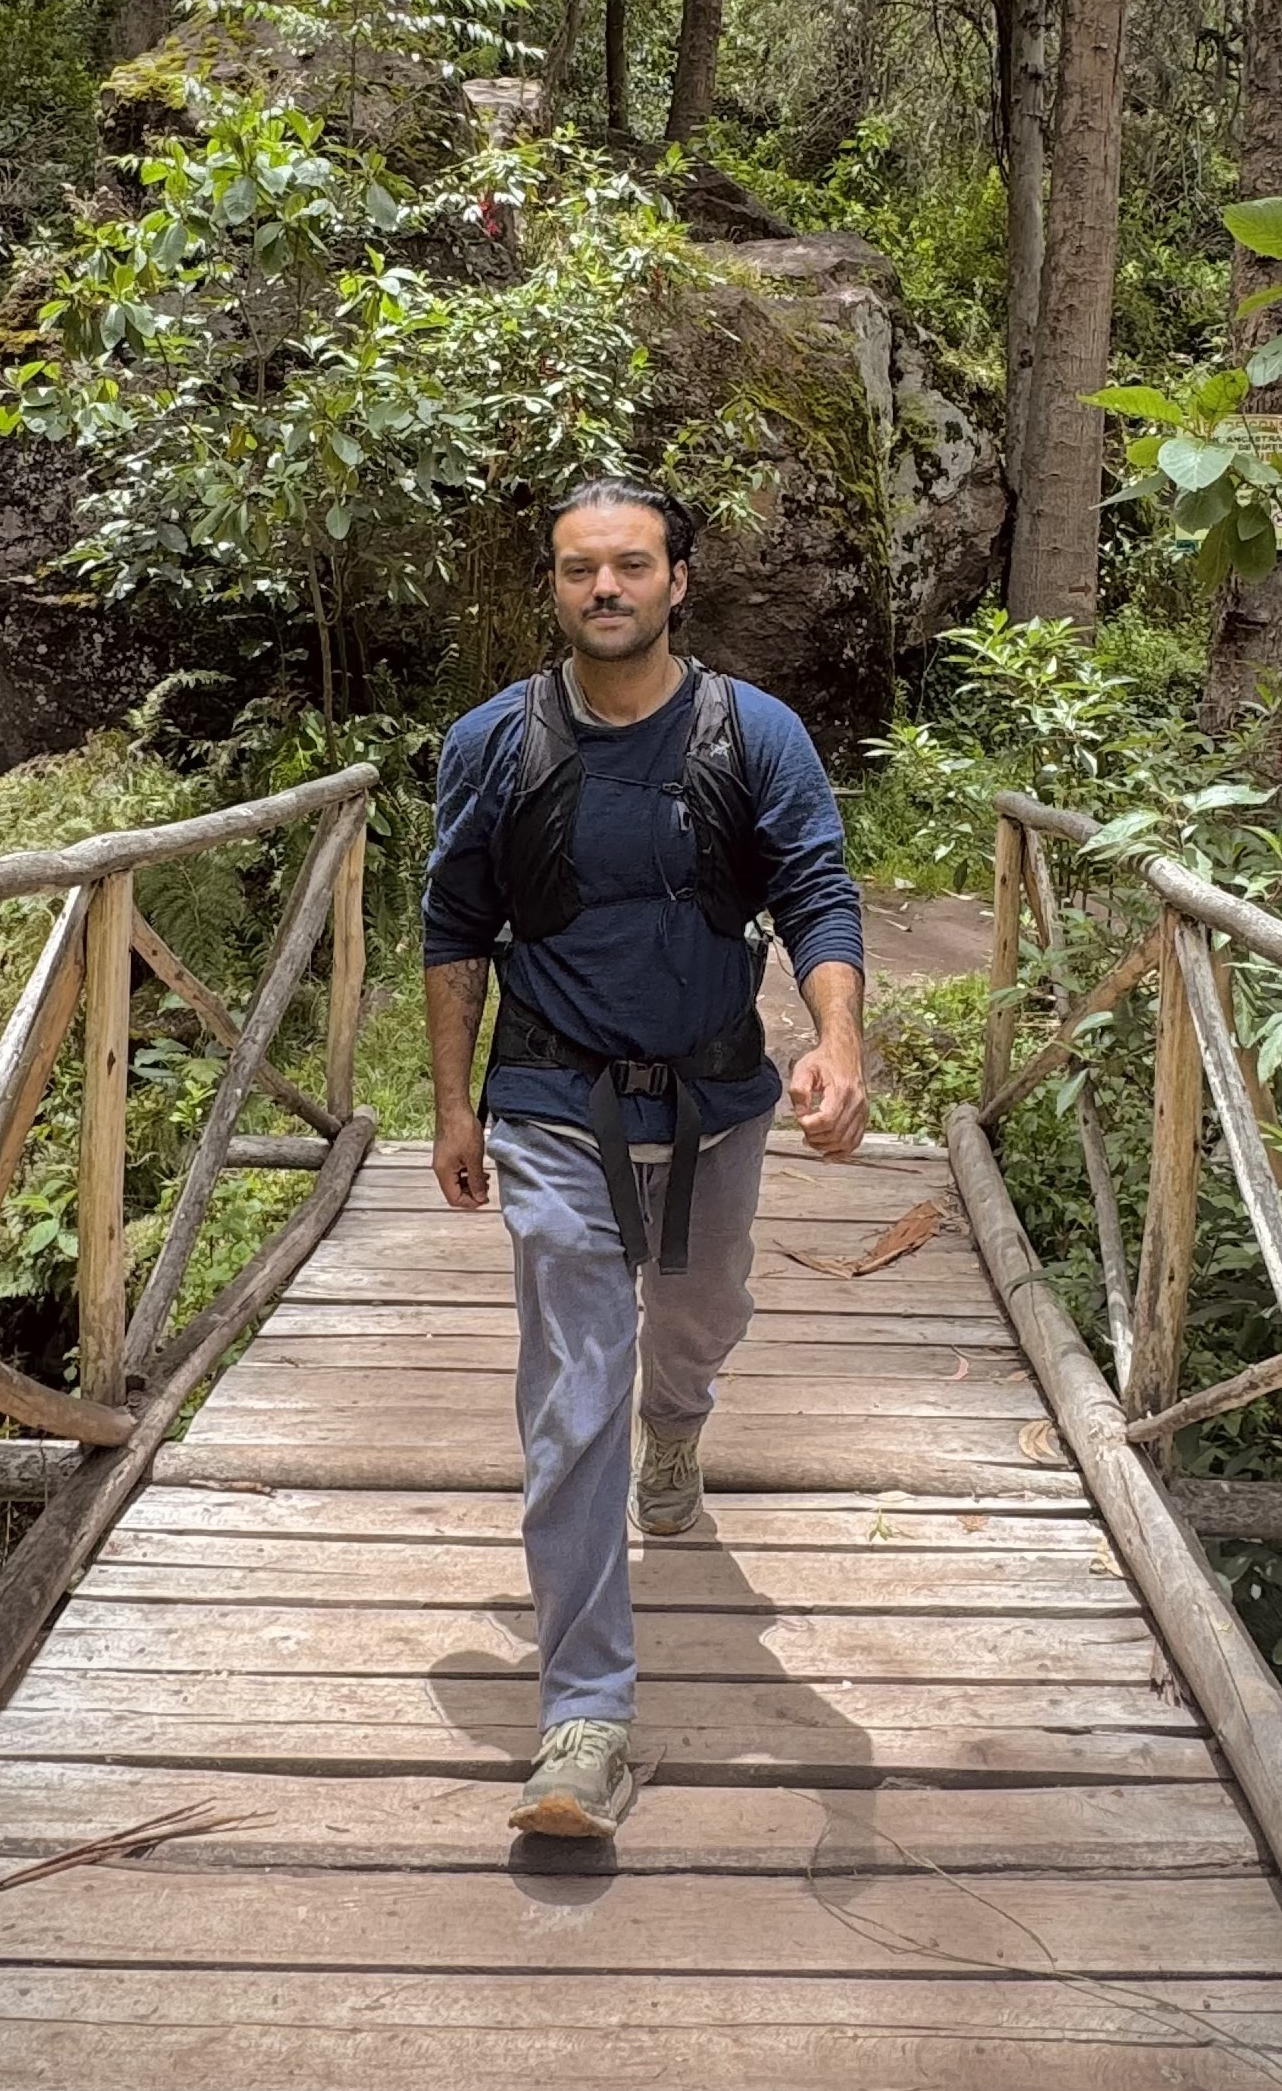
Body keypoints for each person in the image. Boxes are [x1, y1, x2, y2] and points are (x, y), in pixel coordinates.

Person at [422, 474, 867, 1838]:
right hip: (554, 1098)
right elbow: (453, 925)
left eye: (627, 566)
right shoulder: (494, 740)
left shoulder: (755, 732)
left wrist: (835, 1042)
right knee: (572, 1382)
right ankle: (584, 1713)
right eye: (575, 570)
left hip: (719, 1093)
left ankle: (677, 1428)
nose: (601, 589)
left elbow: (816, 891)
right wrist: (453, 1106)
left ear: (680, 578)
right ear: (550, 587)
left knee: (702, 1310)